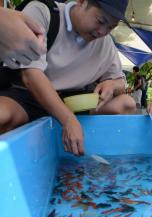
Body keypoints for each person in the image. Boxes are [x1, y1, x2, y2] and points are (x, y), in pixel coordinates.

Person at [0, 0, 136, 156]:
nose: (102, 32)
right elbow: (30, 76)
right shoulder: (44, 12)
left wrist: (111, 84)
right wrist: (67, 119)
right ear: (81, 2)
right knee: (2, 116)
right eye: (100, 21)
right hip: (30, 96)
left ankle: (103, 151)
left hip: (74, 102)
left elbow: (120, 82)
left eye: (111, 27)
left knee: (127, 103)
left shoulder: (106, 42)